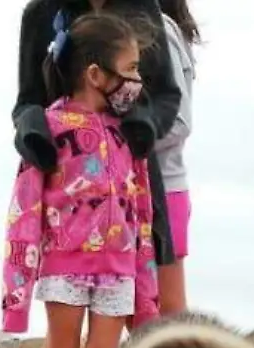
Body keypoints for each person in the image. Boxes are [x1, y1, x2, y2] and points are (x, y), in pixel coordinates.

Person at [0, 11, 159, 348]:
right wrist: (17, 287)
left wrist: (142, 273)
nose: (136, 82)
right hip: (65, 264)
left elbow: (142, 207)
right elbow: (24, 209)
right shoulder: (49, 128)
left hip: (117, 267)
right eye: (129, 70)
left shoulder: (126, 134)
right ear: (96, 74)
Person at [14, 0, 181, 269]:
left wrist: (144, 125)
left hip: (132, 187)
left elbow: (167, 96)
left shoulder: (143, 6)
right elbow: (27, 102)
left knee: (147, 306)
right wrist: (33, 130)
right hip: (66, 200)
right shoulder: (40, 13)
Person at [152, 0, 198, 313]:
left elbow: (179, 122)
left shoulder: (160, 30)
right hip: (137, 190)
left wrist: (118, 143)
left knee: (168, 311)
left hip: (165, 190)